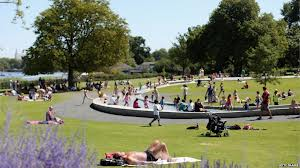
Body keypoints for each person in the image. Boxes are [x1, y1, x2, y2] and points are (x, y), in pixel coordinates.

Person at [105, 140, 171, 165]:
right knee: (162, 144)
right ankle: (168, 158)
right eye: (119, 152)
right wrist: (152, 162)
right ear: (120, 156)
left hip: (147, 153)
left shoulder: (125, 154)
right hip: (150, 157)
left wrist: (110, 154)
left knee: (156, 142)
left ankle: (162, 156)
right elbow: (140, 163)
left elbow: (113, 154)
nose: (120, 151)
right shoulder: (129, 158)